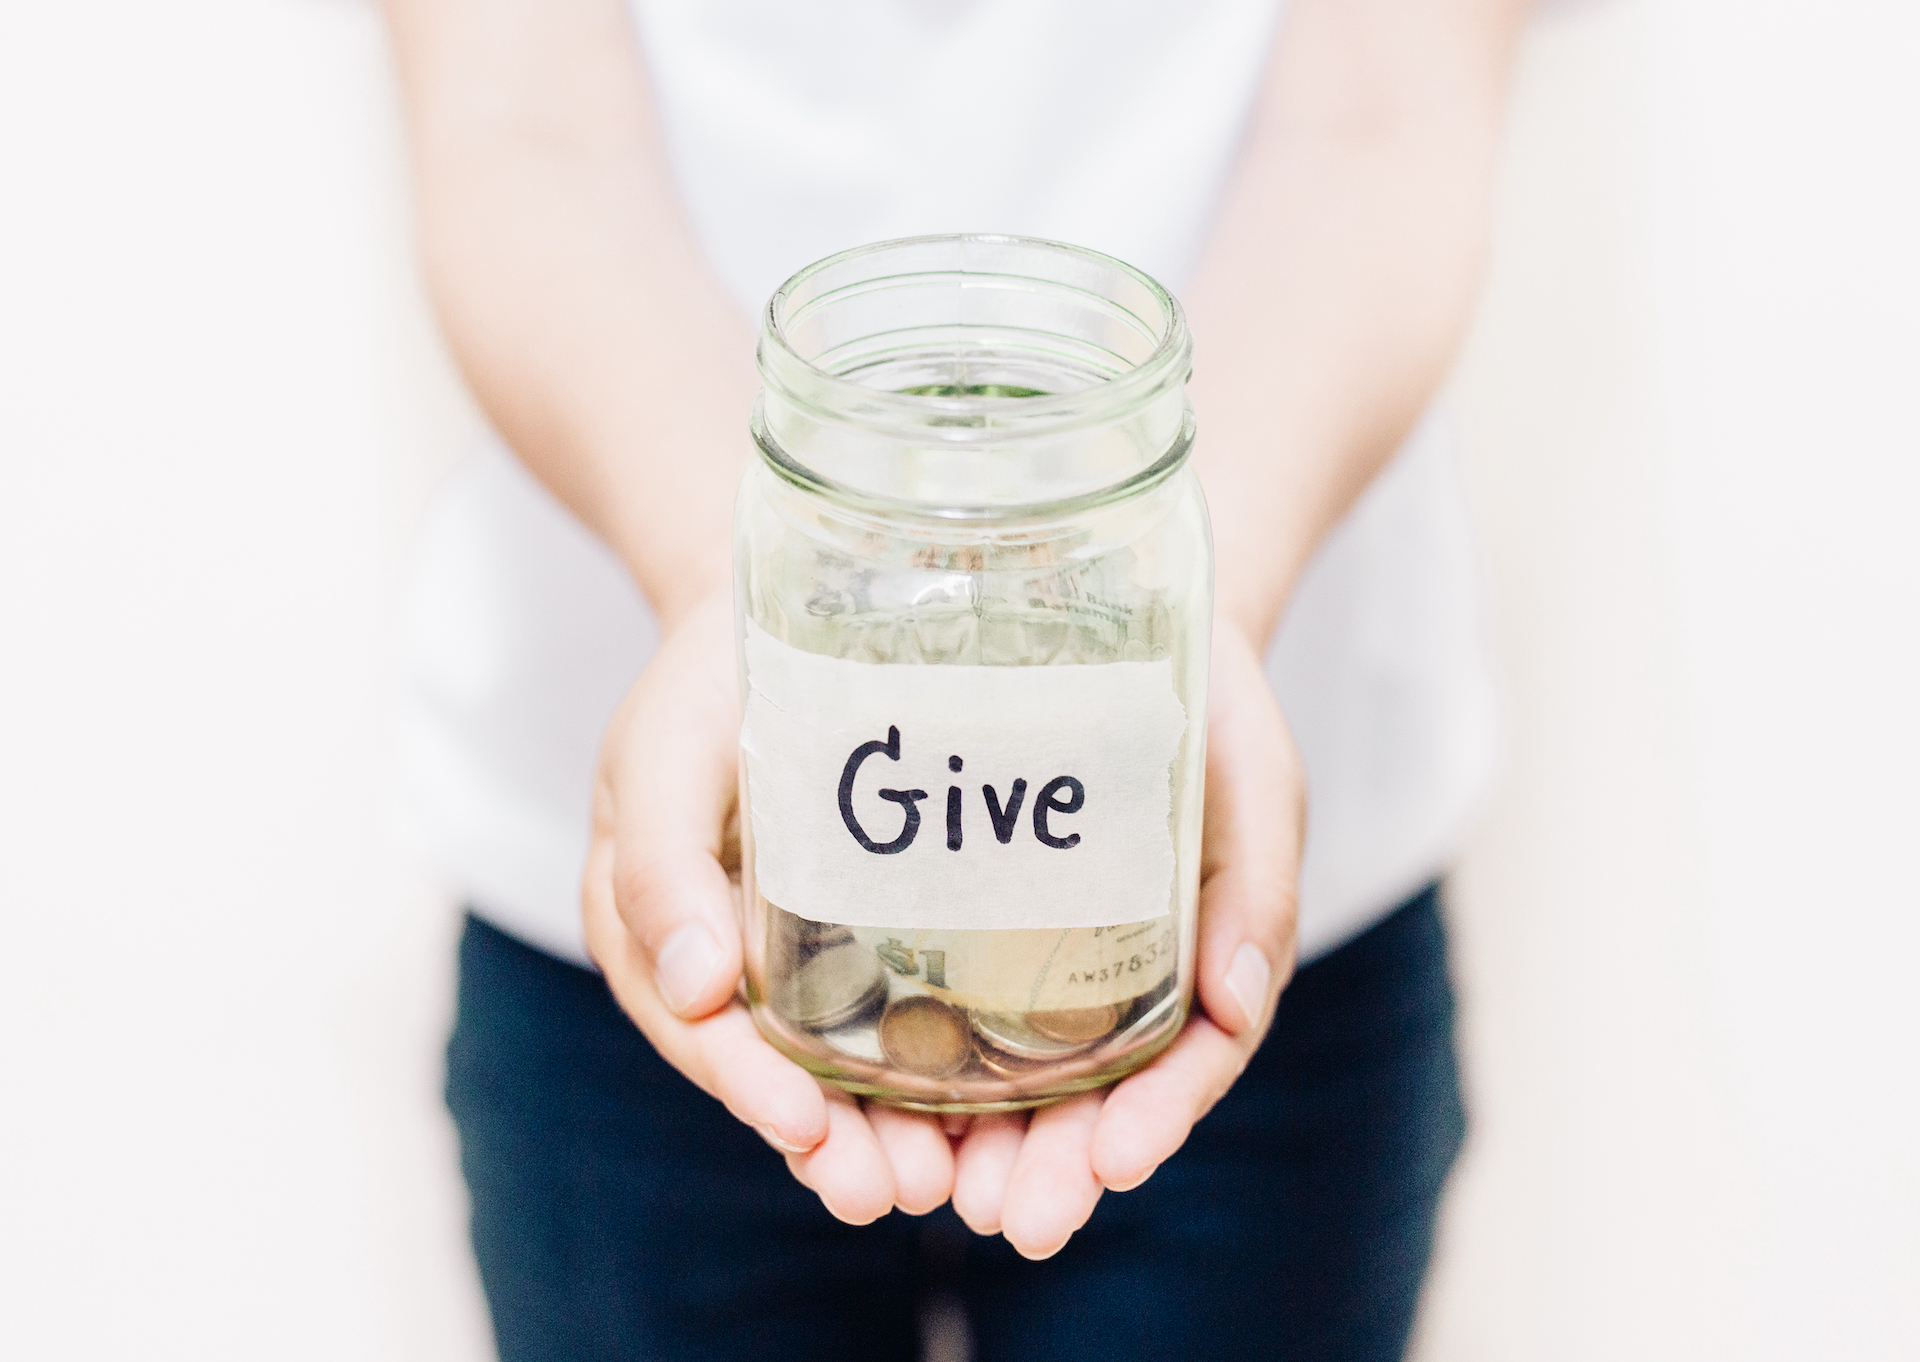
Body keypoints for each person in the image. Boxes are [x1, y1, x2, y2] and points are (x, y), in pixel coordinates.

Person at [381, 1, 1523, 1357]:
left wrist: (1198, 616)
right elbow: (525, 111)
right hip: (659, 865)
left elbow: (1379, 101)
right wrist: (732, 593)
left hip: (1240, 870)